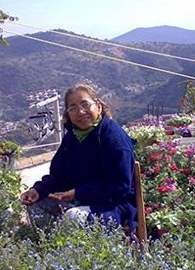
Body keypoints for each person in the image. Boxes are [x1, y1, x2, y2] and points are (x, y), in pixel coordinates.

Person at [20, 84, 137, 232]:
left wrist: (79, 192)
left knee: (73, 216)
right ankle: (51, 246)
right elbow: (58, 175)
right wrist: (38, 190)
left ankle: (73, 250)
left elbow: (120, 187)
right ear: (68, 114)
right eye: (73, 108)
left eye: (85, 104)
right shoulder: (73, 136)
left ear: (98, 106)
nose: (80, 112)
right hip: (80, 201)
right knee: (36, 203)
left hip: (112, 206)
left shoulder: (113, 138)